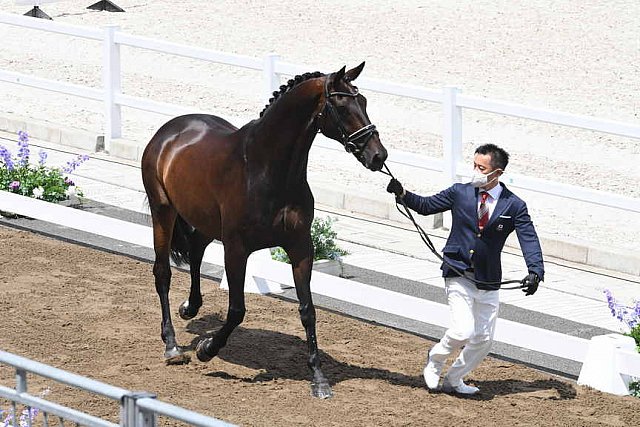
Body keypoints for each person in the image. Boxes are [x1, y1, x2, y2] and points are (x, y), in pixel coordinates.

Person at [386, 143, 544, 396]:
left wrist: (535, 270)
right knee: (463, 330)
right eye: (474, 165)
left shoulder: (514, 205)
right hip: (458, 272)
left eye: (481, 168)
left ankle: (454, 378)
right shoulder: (460, 192)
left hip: (488, 279)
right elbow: (427, 206)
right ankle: (435, 359)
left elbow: (529, 238)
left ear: (498, 173)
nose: (475, 171)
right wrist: (402, 192)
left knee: (483, 339)